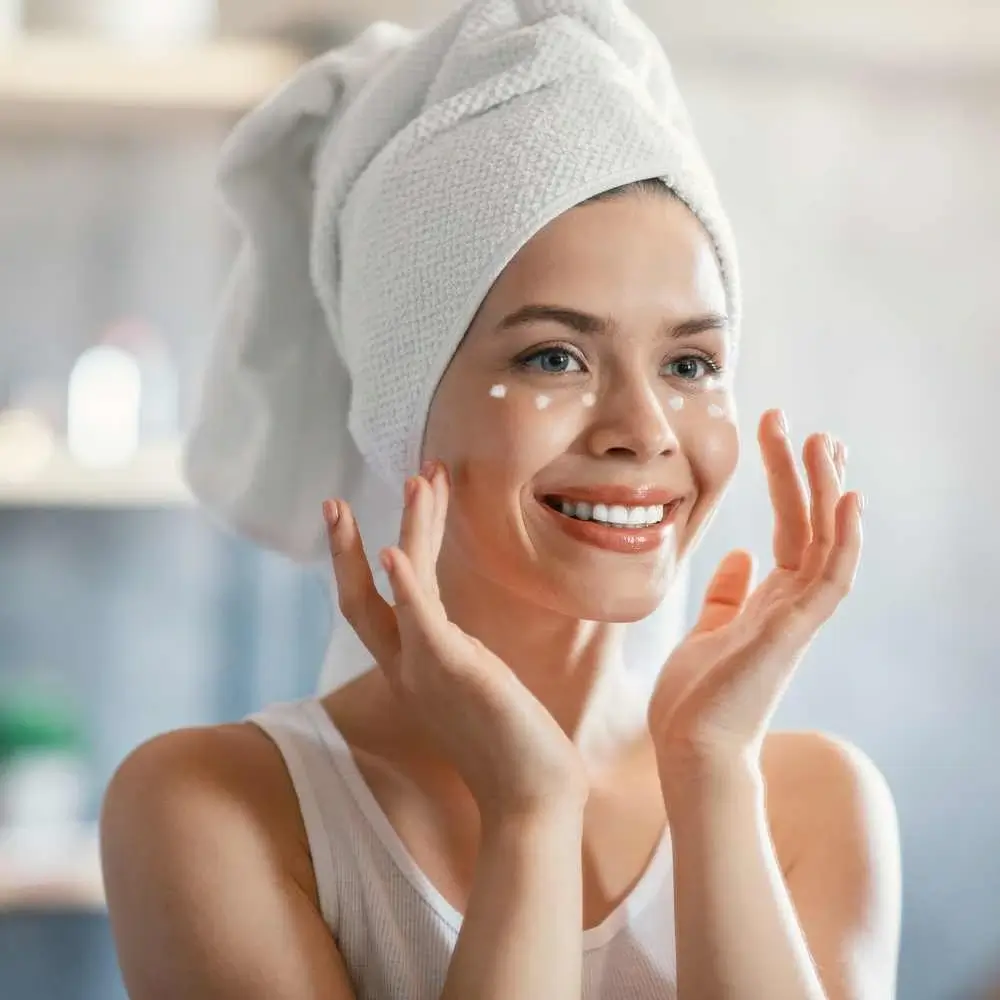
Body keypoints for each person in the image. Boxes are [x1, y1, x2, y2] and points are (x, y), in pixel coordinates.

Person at [98, 2, 902, 998]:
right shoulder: (216, 807)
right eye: (553, 355)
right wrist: (529, 810)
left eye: (690, 360)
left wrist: (711, 770)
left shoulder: (812, 803)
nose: (644, 428)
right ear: (404, 408)